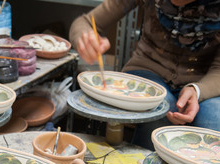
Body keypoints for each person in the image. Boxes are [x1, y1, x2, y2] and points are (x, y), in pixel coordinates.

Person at [69, 0, 220, 150]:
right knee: (161, 109)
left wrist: (198, 90)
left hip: (207, 80)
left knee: (213, 123)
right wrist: (85, 38)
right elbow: (85, 22)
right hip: (148, 70)